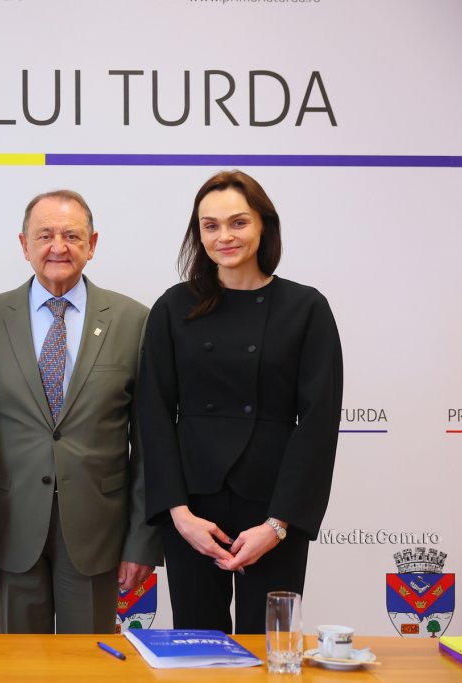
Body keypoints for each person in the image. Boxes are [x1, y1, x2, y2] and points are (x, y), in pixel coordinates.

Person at [138, 170, 343, 634]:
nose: (224, 236)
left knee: (270, 646)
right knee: (198, 646)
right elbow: (153, 415)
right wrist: (179, 514)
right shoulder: (173, 307)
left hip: (273, 509)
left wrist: (278, 525)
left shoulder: (306, 308)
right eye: (210, 226)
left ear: (264, 225)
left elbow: (317, 424)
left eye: (238, 222)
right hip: (193, 510)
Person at [0, 189, 162, 634]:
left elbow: (149, 446)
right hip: (11, 531)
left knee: (88, 664)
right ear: (24, 244)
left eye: (72, 235)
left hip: (98, 533)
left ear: (92, 244)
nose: (58, 247)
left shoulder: (134, 321)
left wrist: (142, 541)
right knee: (18, 665)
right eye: (45, 235)